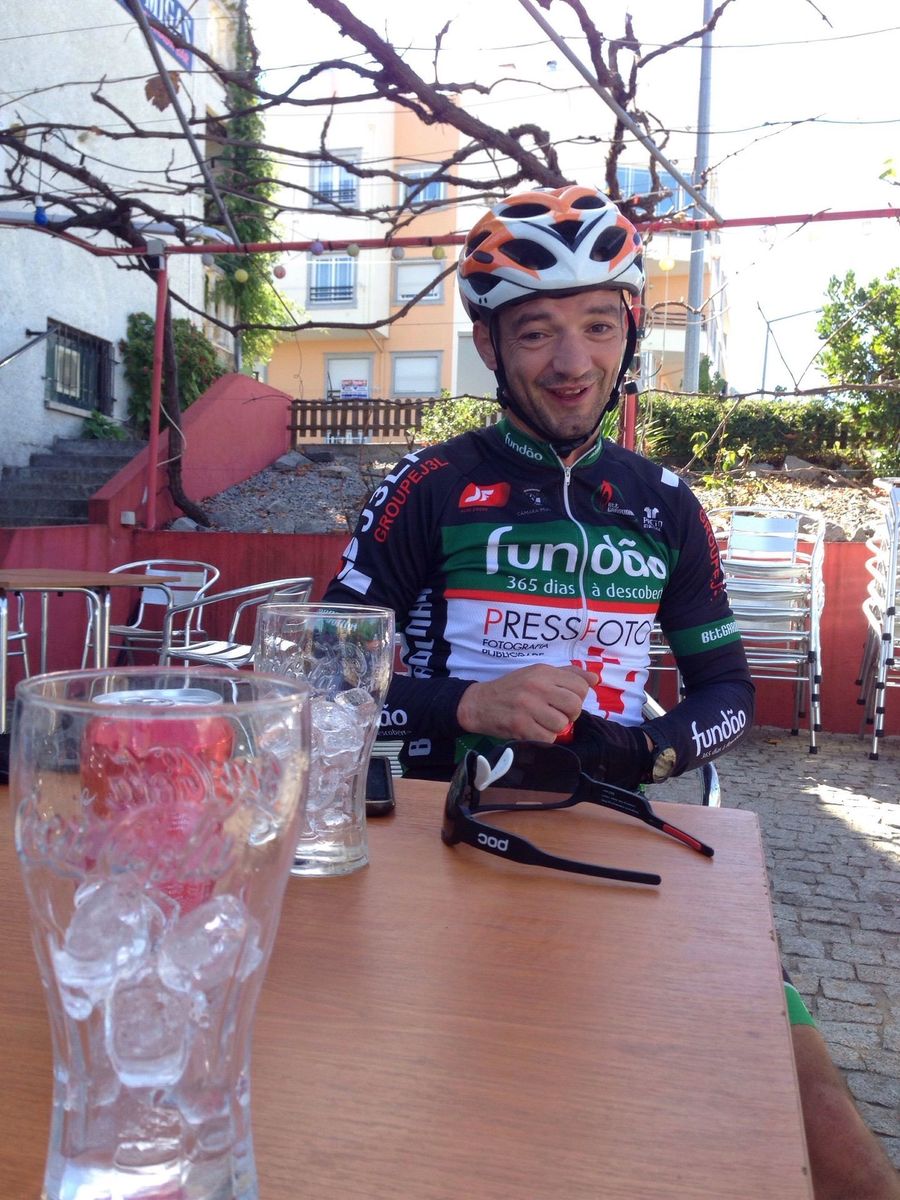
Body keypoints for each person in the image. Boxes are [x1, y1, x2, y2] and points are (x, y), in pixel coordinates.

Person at [323, 184, 900, 1199]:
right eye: (536, 331)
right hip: (443, 835)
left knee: (830, 1137)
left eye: (597, 325)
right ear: (489, 345)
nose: (571, 361)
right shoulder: (429, 486)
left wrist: (643, 750)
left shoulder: (665, 503)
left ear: (629, 332)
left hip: (620, 833)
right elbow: (319, 677)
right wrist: (464, 706)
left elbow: (730, 691)